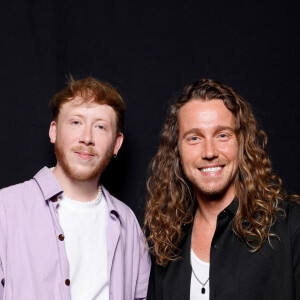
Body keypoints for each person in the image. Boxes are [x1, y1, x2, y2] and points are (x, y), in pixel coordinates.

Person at [144, 79, 300, 300]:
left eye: (222, 135)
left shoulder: (290, 225)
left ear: (242, 143)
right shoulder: (167, 240)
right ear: (177, 151)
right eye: (194, 138)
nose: (209, 152)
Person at [0, 77, 150, 300]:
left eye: (100, 126)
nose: (86, 138)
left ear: (116, 144)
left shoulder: (127, 222)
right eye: (76, 122)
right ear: (54, 132)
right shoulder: (6, 208)